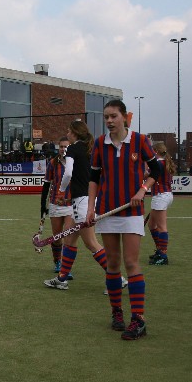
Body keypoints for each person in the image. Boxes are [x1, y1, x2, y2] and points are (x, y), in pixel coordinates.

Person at [87, 100, 163, 340]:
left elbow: (157, 171)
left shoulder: (140, 141)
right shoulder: (100, 143)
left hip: (131, 212)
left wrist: (142, 190)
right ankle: (116, 313)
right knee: (112, 264)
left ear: (123, 117)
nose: (109, 121)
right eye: (106, 117)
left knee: (131, 263)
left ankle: (138, 319)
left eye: (113, 116)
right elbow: (94, 179)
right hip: (107, 211)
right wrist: (91, 208)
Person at [43, 119, 110, 291]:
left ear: (75, 133)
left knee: (91, 243)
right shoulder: (91, 148)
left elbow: (68, 173)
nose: (67, 133)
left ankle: (116, 278)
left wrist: (62, 188)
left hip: (82, 202)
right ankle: (62, 279)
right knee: (70, 241)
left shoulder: (73, 149)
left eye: (69, 131)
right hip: (87, 199)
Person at [39, 137, 73, 273]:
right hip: (55, 204)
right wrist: (43, 205)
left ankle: (66, 267)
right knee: (57, 237)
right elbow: (46, 185)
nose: (63, 149)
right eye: (61, 146)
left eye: (66, 147)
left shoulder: (75, 162)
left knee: (69, 236)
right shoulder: (52, 163)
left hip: (71, 204)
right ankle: (57, 261)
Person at [146, 141, 176, 266]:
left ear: (156, 151)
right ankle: (159, 250)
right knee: (151, 224)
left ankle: (163, 256)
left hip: (160, 196)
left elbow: (146, 175)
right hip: (165, 195)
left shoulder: (158, 163)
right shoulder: (165, 162)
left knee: (162, 227)